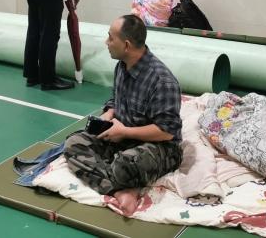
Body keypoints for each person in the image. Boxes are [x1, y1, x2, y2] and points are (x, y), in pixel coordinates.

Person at [63, 14, 183, 216]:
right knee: (73, 144)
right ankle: (120, 190)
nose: (106, 42)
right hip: (123, 136)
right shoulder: (122, 65)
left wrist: (125, 132)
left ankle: (117, 178)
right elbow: (115, 99)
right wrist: (109, 114)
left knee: (124, 164)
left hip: (159, 146)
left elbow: (166, 132)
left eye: (111, 38)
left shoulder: (162, 81)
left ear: (126, 45)